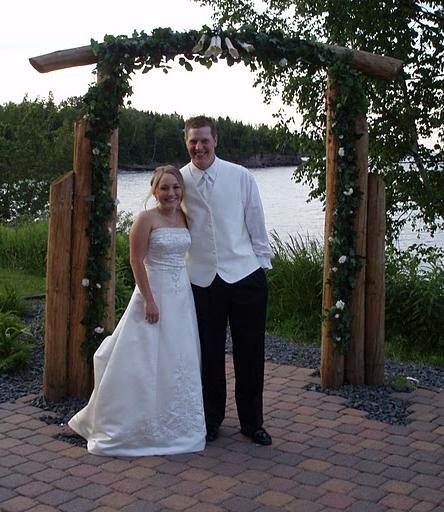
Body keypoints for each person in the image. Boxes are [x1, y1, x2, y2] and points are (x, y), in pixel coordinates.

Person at [68, 166, 206, 456]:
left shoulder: (184, 217)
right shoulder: (145, 219)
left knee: (177, 357)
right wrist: (150, 301)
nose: (171, 193)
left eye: (176, 188)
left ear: (182, 191)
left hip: (181, 296)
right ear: (154, 190)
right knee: (143, 358)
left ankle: (178, 423)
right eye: (164, 188)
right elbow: (136, 260)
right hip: (153, 292)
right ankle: (132, 423)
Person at [180, 116, 273, 446]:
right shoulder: (177, 181)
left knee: (250, 353)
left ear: (215, 141)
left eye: (204, 140)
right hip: (201, 280)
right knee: (208, 356)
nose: (199, 146)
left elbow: (256, 223)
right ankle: (210, 421)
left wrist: (262, 267)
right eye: (193, 141)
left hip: (245, 276)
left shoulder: (240, 176)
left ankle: (252, 423)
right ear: (186, 142)